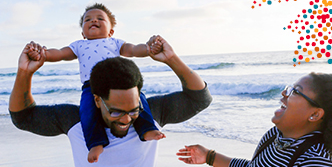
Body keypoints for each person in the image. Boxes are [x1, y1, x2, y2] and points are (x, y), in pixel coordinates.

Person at [10, 35, 212, 167]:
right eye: (115, 112)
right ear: (97, 100)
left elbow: (200, 98)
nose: (126, 119)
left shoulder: (150, 114)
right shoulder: (75, 120)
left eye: (133, 110)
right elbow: (23, 117)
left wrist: (171, 59)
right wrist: (24, 73)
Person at [27, 3, 165, 163]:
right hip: (90, 86)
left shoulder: (115, 42)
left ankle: (147, 129)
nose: (93, 21)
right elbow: (59, 53)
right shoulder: (79, 45)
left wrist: (149, 49)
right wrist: (41, 54)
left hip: (118, 83)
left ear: (111, 31)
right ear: (83, 33)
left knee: (139, 100)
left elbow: (133, 50)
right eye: (88, 20)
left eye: (100, 18)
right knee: (87, 112)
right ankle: (96, 143)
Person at [176, 73, 332, 166]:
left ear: (315, 115)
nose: (284, 93)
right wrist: (209, 156)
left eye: (296, 91)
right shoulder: (275, 136)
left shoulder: (315, 162)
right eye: (289, 88)